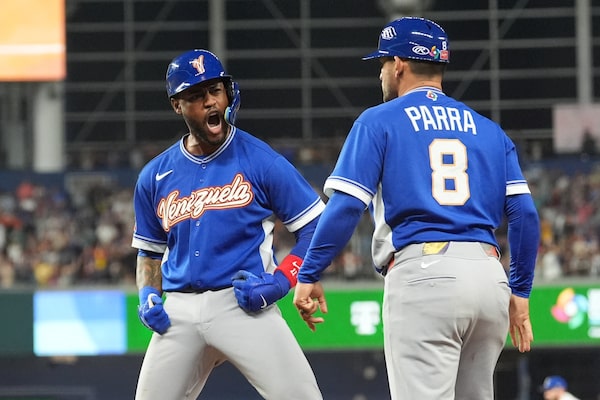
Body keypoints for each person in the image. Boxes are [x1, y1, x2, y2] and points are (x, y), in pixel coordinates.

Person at [292, 16, 540, 400]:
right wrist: (520, 292)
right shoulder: (489, 130)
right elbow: (526, 215)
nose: (381, 74)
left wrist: (309, 272)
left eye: (382, 64)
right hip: (489, 278)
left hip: (425, 275)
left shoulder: (378, 121)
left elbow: (346, 207)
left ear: (399, 65)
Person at [132, 49, 324, 400]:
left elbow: (317, 229)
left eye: (215, 91)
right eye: (196, 95)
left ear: (227, 93)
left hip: (241, 302)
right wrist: (147, 295)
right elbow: (149, 252)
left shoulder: (262, 160)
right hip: (179, 308)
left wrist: (281, 280)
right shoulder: (154, 175)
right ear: (177, 105)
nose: (209, 101)